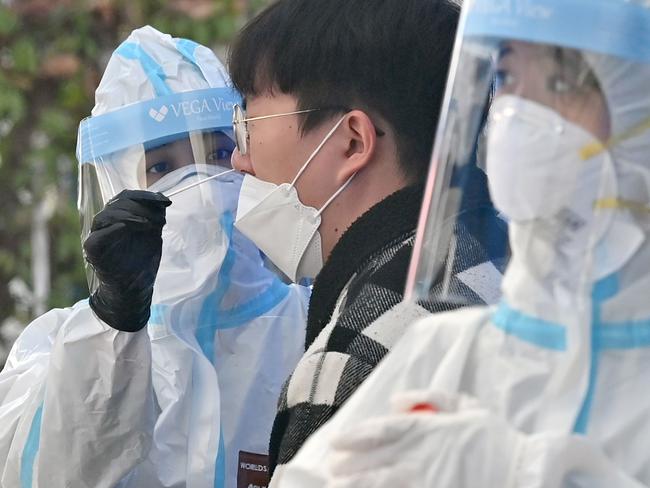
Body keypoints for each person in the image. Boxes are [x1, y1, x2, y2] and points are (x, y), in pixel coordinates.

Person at [271, 0, 650, 486]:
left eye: (562, 84)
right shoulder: (444, 350)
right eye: (511, 80)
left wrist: (530, 474)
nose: (519, 118)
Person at [0, 26, 309, 488]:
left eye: (220, 152)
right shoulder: (62, 346)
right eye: (162, 166)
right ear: (117, 182)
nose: (199, 186)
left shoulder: (311, 324)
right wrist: (114, 324)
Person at [226, 0, 508, 478]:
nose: (239, 160)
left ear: (352, 141)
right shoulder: (502, 270)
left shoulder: (363, 347)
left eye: (249, 128)